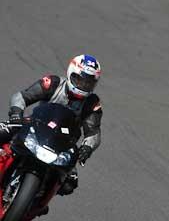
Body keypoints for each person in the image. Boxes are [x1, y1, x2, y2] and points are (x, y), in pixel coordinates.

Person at [1, 55, 102, 198]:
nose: (83, 85)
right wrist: (16, 113)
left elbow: (93, 132)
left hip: (64, 143)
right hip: (34, 125)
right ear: (70, 73)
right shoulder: (53, 83)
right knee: (4, 130)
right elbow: (22, 96)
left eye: (88, 83)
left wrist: (87, 148)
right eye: (80, 79)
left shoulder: (92, 103)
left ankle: (37, 203)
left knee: (69, 183)